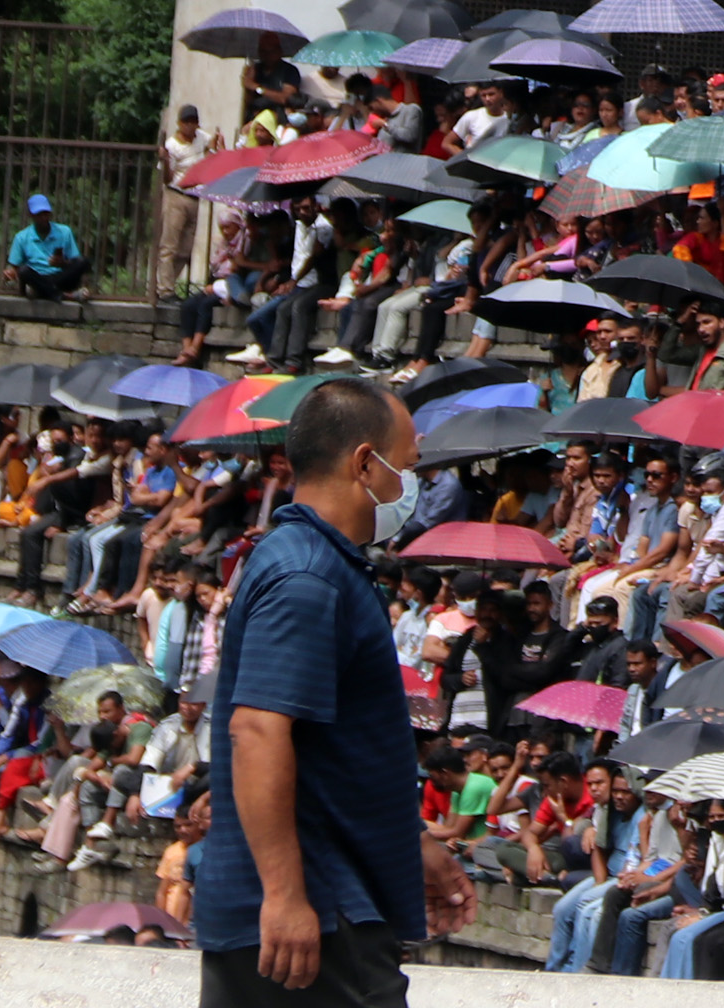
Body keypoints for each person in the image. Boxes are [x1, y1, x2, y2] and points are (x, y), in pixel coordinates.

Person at [194, 379, 470, 1008]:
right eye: (407, 468)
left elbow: (332, 753)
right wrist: (287, 897)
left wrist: (411, 843)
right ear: (364, 464)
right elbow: (258, 731)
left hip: (329, 901)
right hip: (316, 916)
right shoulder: (307, 578)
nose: (411, 485)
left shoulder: (321, 565)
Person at [8, 195, 90, 300]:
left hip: (59, 277)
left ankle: (42, 292)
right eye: (39, 215)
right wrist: (10, 273)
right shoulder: (21, 237)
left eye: (46, 214)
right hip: (37, 277)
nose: (43, 218)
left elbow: (75, 261)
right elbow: (15, 268)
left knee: (83, 261)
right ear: (31, 215)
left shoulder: (64, 232)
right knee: (24, 271)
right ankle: (66, 296)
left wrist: (62, 263)